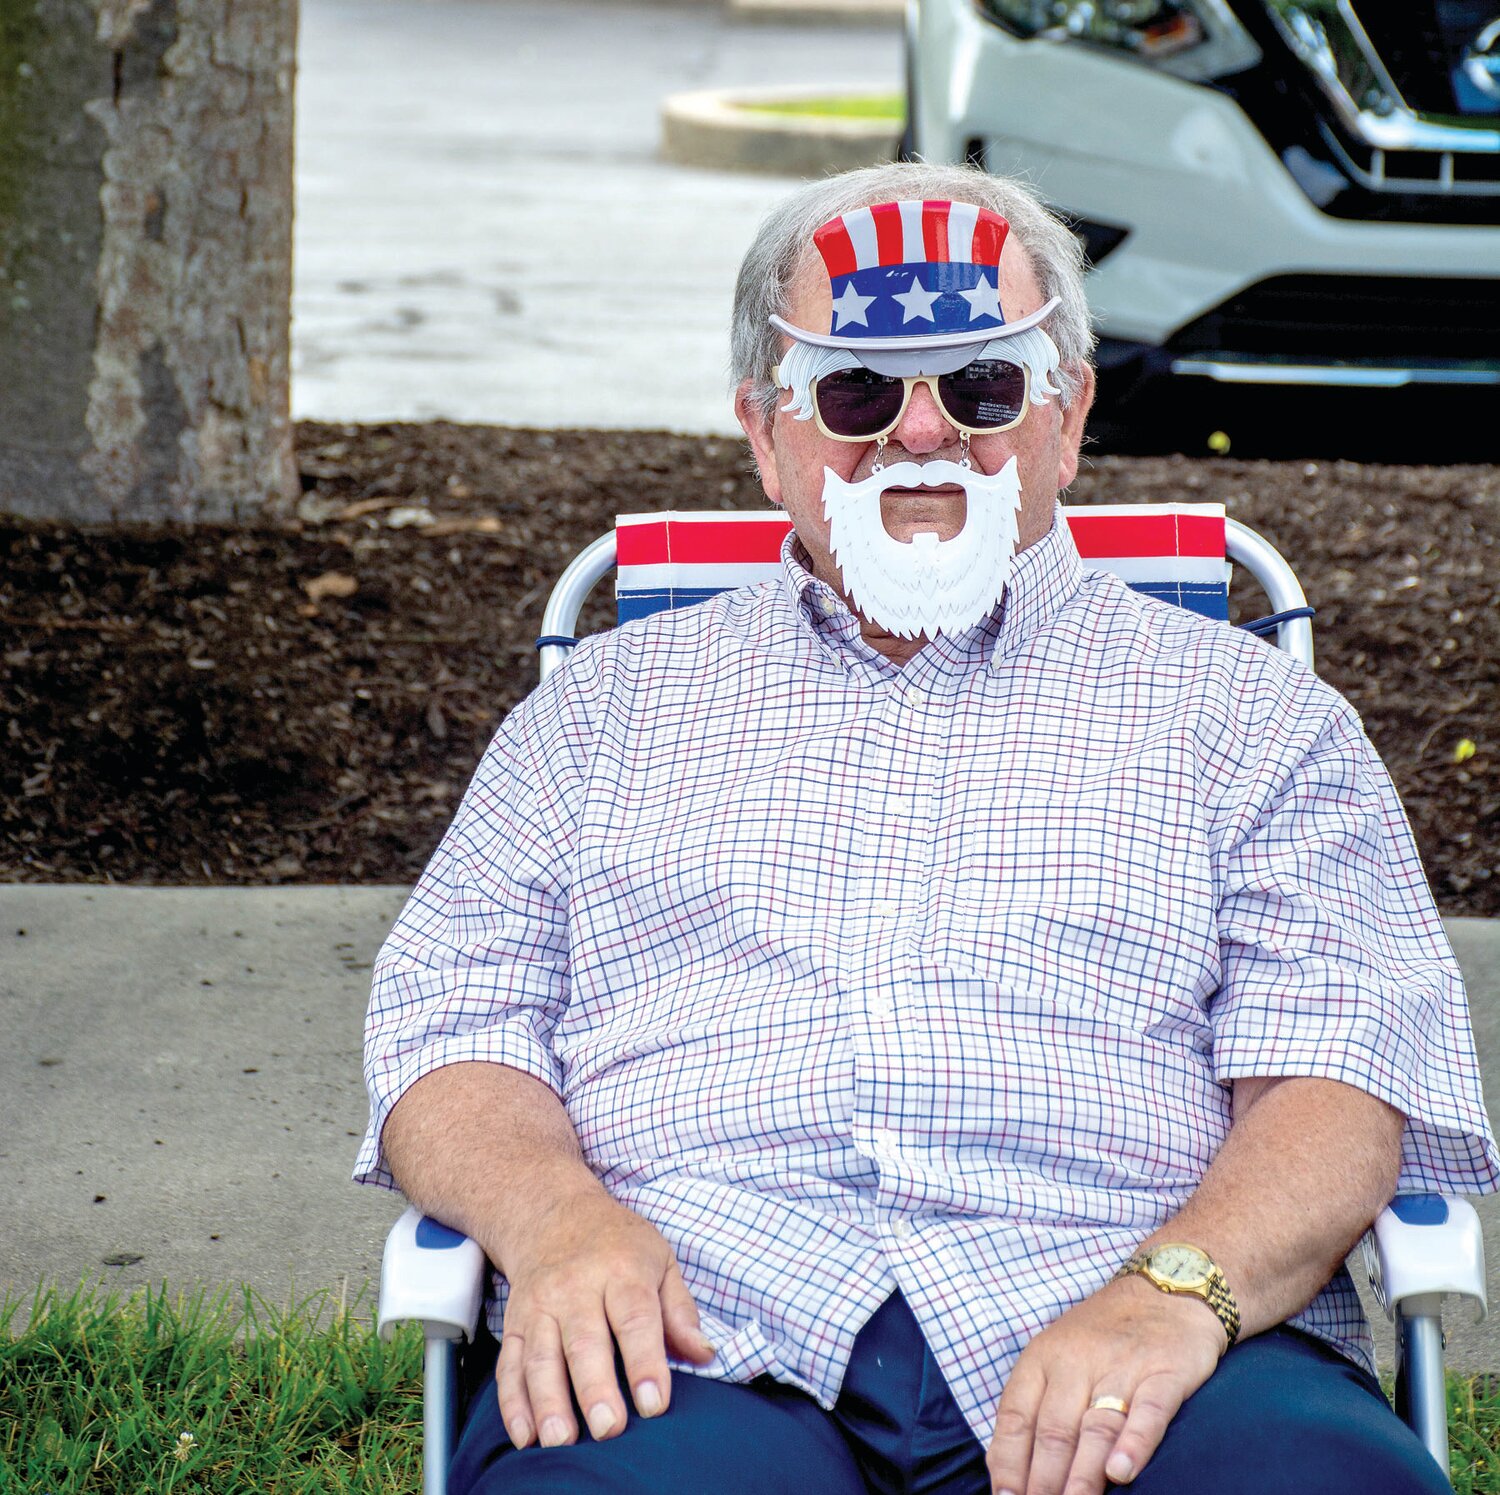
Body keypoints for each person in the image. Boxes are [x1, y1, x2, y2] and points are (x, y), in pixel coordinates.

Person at [356, 162, 1497, 1495]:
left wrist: (1181, 1293)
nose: (918, 436)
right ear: (763, 430)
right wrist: (558, 1227)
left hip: (1149, 1318)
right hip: (704, 1328)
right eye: (854, 391)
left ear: (1066, 417)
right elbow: (451, 1029)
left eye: (982, 388)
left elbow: (1338, 1077)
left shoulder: (1253, 719)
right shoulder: (600, 715)